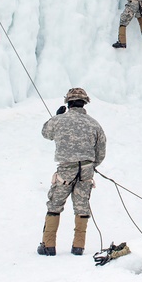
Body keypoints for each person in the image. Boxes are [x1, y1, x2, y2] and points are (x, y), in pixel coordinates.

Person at [37, 87, 107, 256]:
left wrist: (57, 116)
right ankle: (78, 247)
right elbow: (101, 150)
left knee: (55, 204)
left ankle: (48, 246)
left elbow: (45, 133)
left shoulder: (60, 120)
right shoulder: (94, 124)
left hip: (65, 169)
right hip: (86, 170)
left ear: (68, 103)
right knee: (82, 206)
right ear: (84, 103)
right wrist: (91, 166)